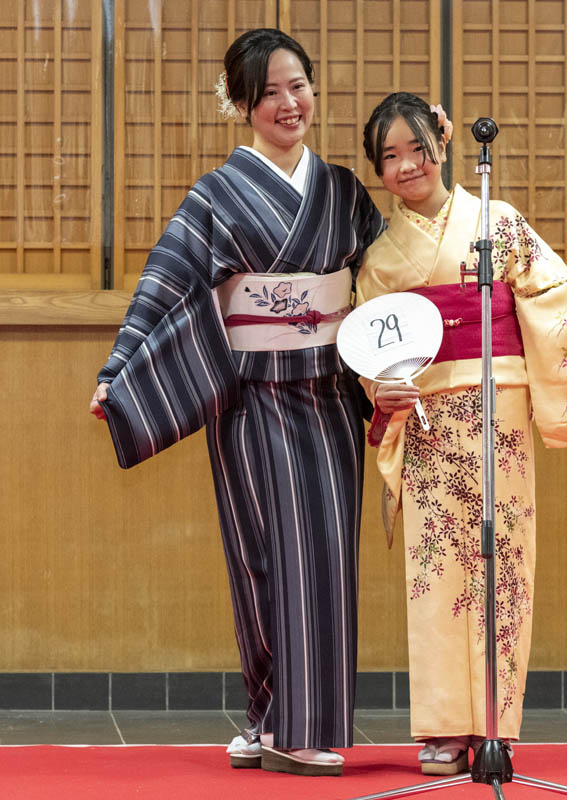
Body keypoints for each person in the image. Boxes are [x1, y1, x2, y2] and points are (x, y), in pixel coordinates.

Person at [89, 29, 385, 777]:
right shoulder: (215, 196)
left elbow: (389, 279)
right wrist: (119, 368)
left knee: (320, 558)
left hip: (325, 396)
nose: (290, 104)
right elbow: (163, 283)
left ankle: (297, 725)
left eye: (299, 86)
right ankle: (266, 711)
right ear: (243, 105)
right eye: (271, 93)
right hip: (249, 399)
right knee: (258, 559)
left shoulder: (345, 193)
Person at [355, 92, 567, 774]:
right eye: (390, 157)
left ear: (441, 145)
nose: (407, 165)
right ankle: (443, 725)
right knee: (438, 572)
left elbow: (559, 303)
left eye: (417, 148)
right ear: (377, 170)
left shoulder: (495, 222)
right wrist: (381, 391)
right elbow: (369, 352)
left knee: (505, 567)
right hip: (430, 421)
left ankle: (495, 721)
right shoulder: (380, 262)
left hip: (501, 414)